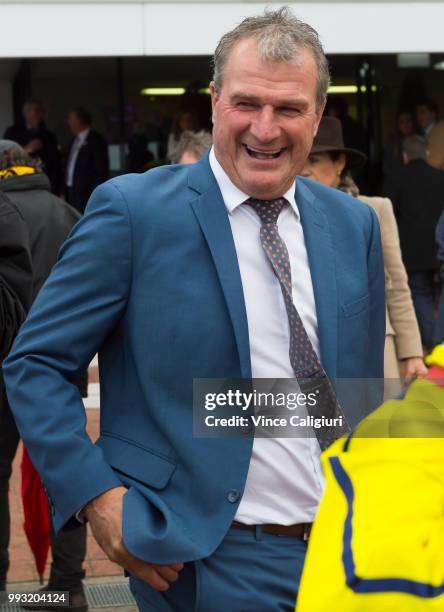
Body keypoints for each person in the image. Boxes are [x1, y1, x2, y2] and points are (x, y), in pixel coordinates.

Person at [3, 8, 385, 611]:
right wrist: (98, 498)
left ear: (317, 113)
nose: (266, 128)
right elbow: (36, 363)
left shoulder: (352, 223)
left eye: (288, 108)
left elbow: (337, 395)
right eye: (246, 103)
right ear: (213, 101)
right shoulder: (134, 213)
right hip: (209, 560)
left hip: (347, 556)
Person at [0, 141, 88, 612]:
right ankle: (66, 589)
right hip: (60, 368)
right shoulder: (69, 212)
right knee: (66, 480)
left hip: (4, 368)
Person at [301, 117, 426, 384]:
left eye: (315, 160)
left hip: (373, 348)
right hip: (311, 353)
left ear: (340, 163)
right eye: (300, 160)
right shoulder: (281, 217)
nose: (304, 170)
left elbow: (396, 286)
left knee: (375, 425)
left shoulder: (373, 210)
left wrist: (412, 353)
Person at [383, 134, 444, 350]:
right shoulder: (440, 176)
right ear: (427, 154)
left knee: (420, 294)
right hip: (439, 248)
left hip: (413, 251)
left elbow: (388, 213)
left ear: (405, 156)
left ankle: (434, 345)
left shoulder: (396, 177)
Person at [3, 100, 62, 194]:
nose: (40, 114)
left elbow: (56, 164)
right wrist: (26, 149)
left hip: (44, 185)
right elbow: (5, 157)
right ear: (26, 112)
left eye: (42, 111)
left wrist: (57, 188)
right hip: (18, 185)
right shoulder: (12, 132)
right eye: (37, 110)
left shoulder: (49, 136)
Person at [65, 108, 109, 214]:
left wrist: (95, 195)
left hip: (86, 194)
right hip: (71, 191)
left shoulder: (96, 140)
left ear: (79, 120)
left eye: (70, 119)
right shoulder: (73, 141)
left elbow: (101, 170)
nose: (68, 122)